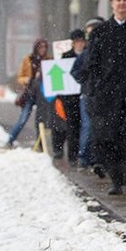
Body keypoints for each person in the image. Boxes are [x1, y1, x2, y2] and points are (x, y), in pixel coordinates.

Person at [82, 0, 126, 195]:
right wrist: (96, 89)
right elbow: (91, 64)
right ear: (112, 3)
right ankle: (116, 178)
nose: (122, 4)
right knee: (106, 138)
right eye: (118, 0)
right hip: (107, 94)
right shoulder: (100, 32)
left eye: (125, 0)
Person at [71, 17, 103, 171]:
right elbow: (76, 71)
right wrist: (86, 79)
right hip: (88, 94)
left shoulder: (106, 51)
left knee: (100, 128)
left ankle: (98, 158)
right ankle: (85, 157)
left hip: (103, 95)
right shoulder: (86, 53)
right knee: (89, 126)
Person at [7, 38, 50, 148]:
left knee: (41, 121)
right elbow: (20, 77)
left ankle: (40, 144)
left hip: (44, 94)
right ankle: (10, 140)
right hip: (30, 93)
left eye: (45, 47)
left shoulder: (49, 60)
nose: (43, 49)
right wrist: (30, 79)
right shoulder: (28, 60)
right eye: (40, 47)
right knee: (23, 119)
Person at [52, 29, 86, 165]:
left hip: (82, 95)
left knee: (83, 126)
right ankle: (72, 156)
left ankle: (81, 153)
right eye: (77, 41)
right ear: (73, 43)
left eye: (81, 41)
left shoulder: (87, 55)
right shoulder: (66, 56)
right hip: (69, 97)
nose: (80, 44)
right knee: (72, 126)